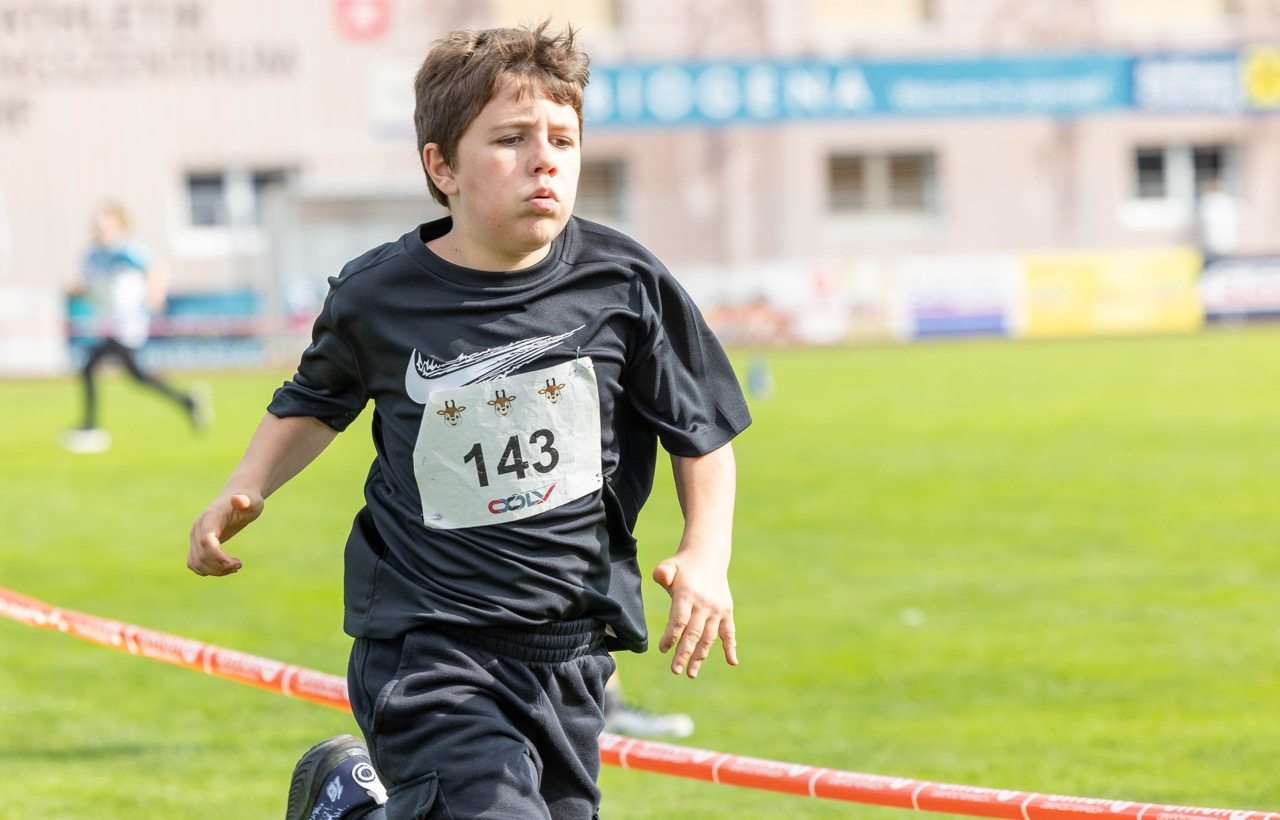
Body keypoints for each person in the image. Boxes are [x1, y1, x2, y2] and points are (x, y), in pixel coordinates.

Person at [187, 21, 750, 820]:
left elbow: (702, 433)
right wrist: (242, 489)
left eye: (563, 139)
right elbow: (313, 401)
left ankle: (348, 810)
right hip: (430, 648)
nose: (544, 159)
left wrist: (705, 553)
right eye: (512, 139)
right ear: (441, 166)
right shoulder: (378, 297)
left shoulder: (625, 283)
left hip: (570, 653)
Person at [62, 202, 210, 453]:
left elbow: (156, 268)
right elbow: (86, 284)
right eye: (97, 226)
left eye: (105, 225)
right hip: (107, 323)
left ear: (119, 226)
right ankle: (187, 401)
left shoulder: (128, 250)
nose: (100, 230)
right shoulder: (92, 255)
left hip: (127, 324)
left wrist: (155, 292)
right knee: (136, 375)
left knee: (89, 368)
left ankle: (90, 427)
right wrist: (75, 289)